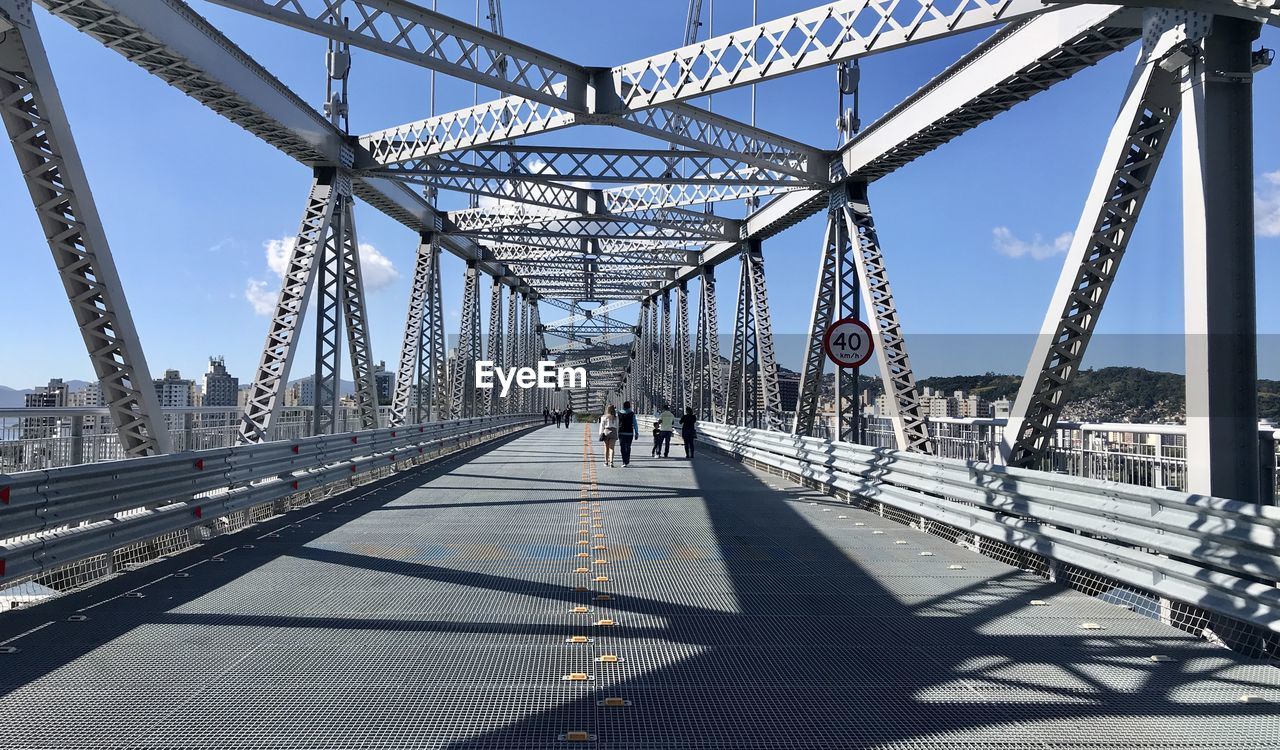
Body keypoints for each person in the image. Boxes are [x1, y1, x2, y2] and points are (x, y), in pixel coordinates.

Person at [617, 401, 638, 467]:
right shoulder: (632, 414)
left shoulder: (619, 413)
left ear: (623, 406)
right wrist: (636, 433)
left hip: (621, 432)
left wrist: (616, 433)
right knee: (628, 447)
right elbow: (635, 424)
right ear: (629, 406)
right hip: (630, 433)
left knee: (622, 447)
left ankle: (624, 461)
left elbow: (617, 423)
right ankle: (627, 460)